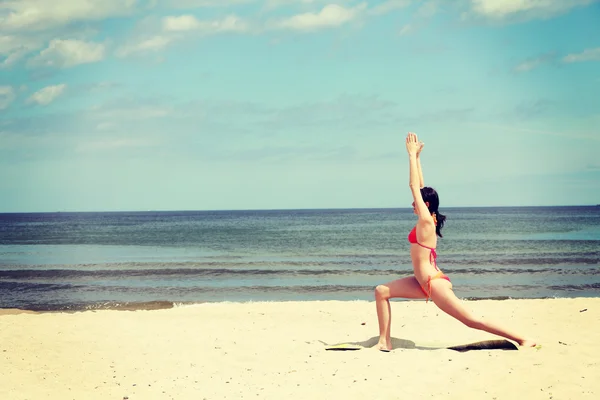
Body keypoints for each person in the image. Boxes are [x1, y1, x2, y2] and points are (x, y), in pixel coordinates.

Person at [373, 132, 536, 352]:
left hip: (433, 283)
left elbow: (413, 187)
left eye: (418, 202)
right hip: (422, 281)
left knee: (470, 320)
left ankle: (522, 338)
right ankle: (385, 342)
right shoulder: (427, 218)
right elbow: (420, 187)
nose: (413, 203)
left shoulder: (426, 222)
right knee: (381, 291)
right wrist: (419, 159)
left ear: (426, 204)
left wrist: (411, 156)